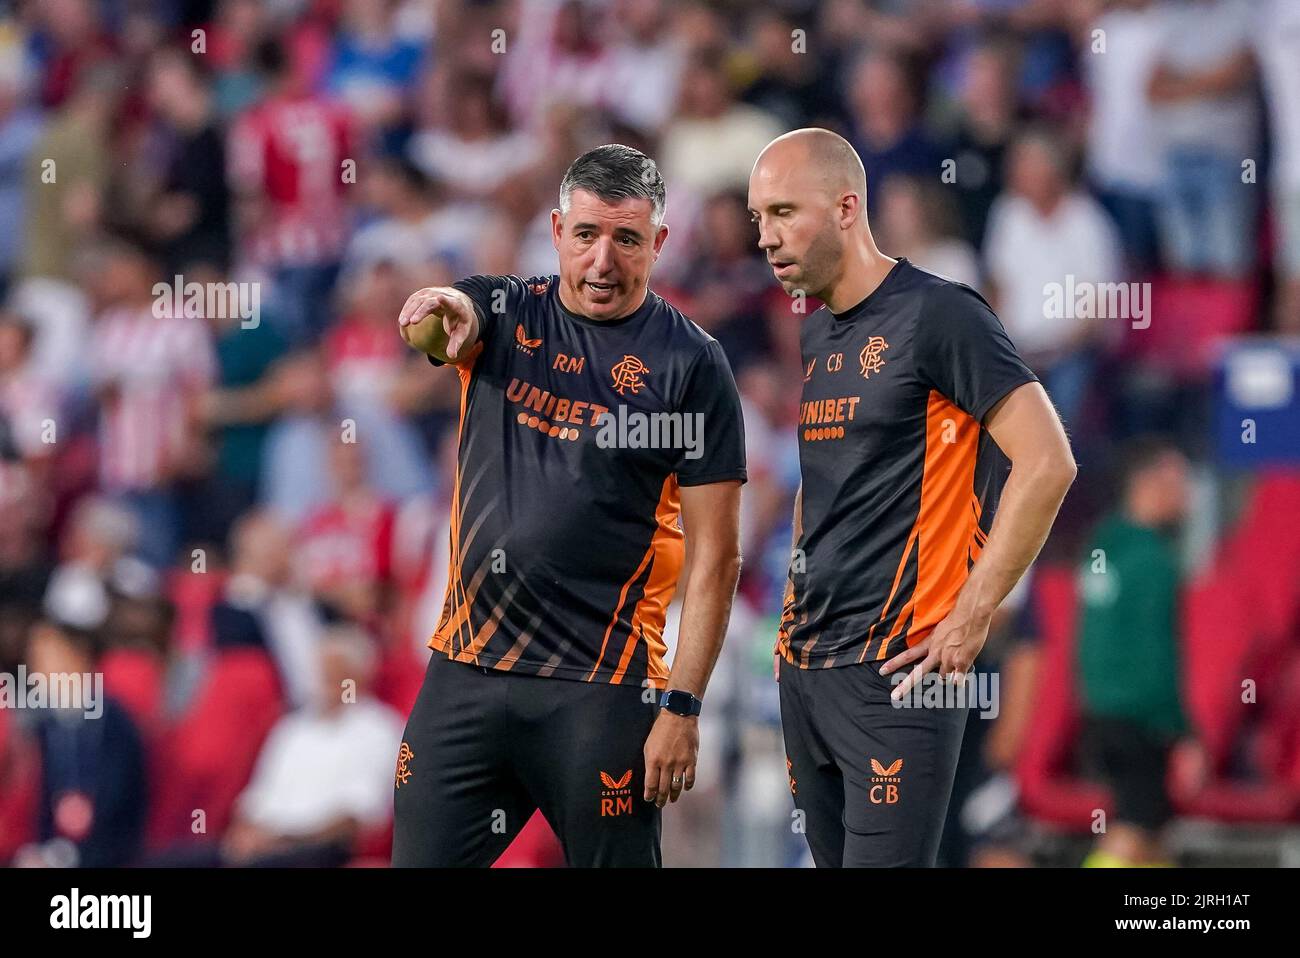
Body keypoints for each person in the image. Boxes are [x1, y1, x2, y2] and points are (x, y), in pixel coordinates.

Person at [392, 144, 747, 867]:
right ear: (556, 231)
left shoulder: (692, 364)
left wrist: (683, 706)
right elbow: (447, 320)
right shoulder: (503, 310)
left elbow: (718, 555)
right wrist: (432, 312)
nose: (602, 262)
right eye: (586, 235)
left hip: (602, 689)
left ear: (660, 244)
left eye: (626, 239)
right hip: (467, 671)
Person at [747, 128, 1076, 867]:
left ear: (845, 208)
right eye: (757, 218)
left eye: (782, 213)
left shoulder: (941, 314)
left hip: (901, 675)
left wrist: (971, 615)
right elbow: (821, 485)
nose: (765, 238)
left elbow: (1049, 462)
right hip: (808, 671)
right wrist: (788, 619)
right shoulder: (818, 334)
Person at [1076, 436, 1197, 867]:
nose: (1189, 496)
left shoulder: (1101, 543)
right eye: (1180, 482)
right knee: (1133, 830)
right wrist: (1181, 729)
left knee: (1152, 835)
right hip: (1140, 717)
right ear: (1149, 484)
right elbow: (1158, 654)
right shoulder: (1153, 560)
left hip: (1099, 712)